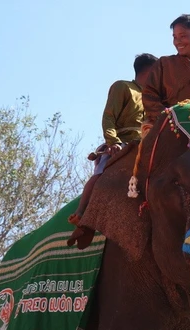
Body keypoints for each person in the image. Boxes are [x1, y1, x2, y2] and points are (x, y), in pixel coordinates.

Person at [68, 53, 159, 228]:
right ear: (150, 71)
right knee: (101, 174)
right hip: (123, 143)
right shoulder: (123, 87)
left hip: (145, 147)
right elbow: (109, 117)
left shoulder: (154, 99)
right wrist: (113, 142)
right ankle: (80, 213)